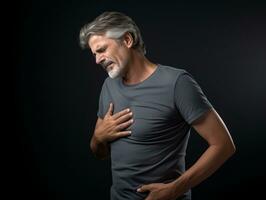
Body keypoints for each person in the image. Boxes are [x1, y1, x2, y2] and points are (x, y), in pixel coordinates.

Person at [79, 11, 236, 200]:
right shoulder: (109, 85)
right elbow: (100, 153)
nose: (97, 60)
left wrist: (175, 189)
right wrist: (98, 138)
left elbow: (224, 145)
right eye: (94, 54)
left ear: (127, 40)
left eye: (102, 49)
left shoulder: (177, 83)